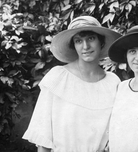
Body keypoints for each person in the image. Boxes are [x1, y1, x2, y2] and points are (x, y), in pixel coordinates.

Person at [22, 15, 121, 152]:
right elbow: (43, 137)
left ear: (101, 42)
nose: (85, 46)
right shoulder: (58, 78)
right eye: (78, 41)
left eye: (91, 39)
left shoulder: (113, 82)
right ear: (73, 46)